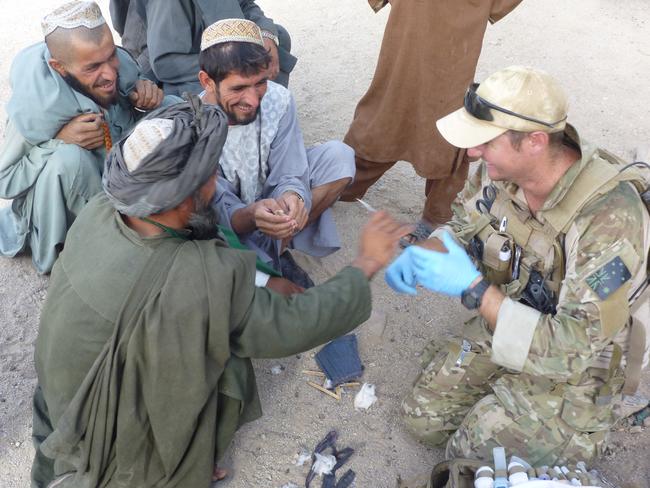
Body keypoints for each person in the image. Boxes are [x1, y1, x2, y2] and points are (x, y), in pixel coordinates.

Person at [31, 98, 409, 487]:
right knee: (228, 363)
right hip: (112, 443)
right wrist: (366, 263)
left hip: (59, 406)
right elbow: (295, 323)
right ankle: (177, 460)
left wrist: (258, 280)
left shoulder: (101, 210)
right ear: (182, 197)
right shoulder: (198, 279)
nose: (218, 183)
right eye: (213, 174)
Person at [385, 66, 650, 465]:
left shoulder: (608, 220)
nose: (472, 153)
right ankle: (511, 389)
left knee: (467, 456)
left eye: (485, 143)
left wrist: (474, 289)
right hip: (516, 315)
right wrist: (432, 250)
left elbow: (571, 348)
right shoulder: (501, 171)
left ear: (535, 143)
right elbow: (465, 223)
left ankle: (579, 427)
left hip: (577, 361)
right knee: (422, 420)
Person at [0, 1, 176, 274]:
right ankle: (80, 253)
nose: (109, 74)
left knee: (172, 109)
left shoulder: (121, 69)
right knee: (68, 160)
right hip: (69, 204)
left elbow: (125, 125)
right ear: (59, 67)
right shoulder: (36, 106)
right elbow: (5, 179)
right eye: (93, 67)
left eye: (111, 56)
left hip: (116, 181)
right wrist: (60, 140)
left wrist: (145, 100)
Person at [341, 0, 522, 244]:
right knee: (390, 101)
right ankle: (344, 182)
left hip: (461, 22)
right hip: (414, 14)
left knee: (447, 113)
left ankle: (436, 216)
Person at [199, 19, 356, 286]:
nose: (253, 99)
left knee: (339, 158)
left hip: (269, 200)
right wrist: (252, 215)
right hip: (231, 222)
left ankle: (277, 250)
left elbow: (290, 170)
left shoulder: (278, 99)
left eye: (259, 83)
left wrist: (292, 196)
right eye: (238, 88)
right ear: (208, 81)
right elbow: (215, 208)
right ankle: (263, 264)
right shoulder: (192, 123)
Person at [115, 0, 297, 95]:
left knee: (278, 39)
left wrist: (265, 33)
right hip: (172, 62)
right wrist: (230, 65)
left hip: (219, 45)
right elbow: (165, 63)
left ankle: (267, 128)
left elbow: (245, 4)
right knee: (221, 87)